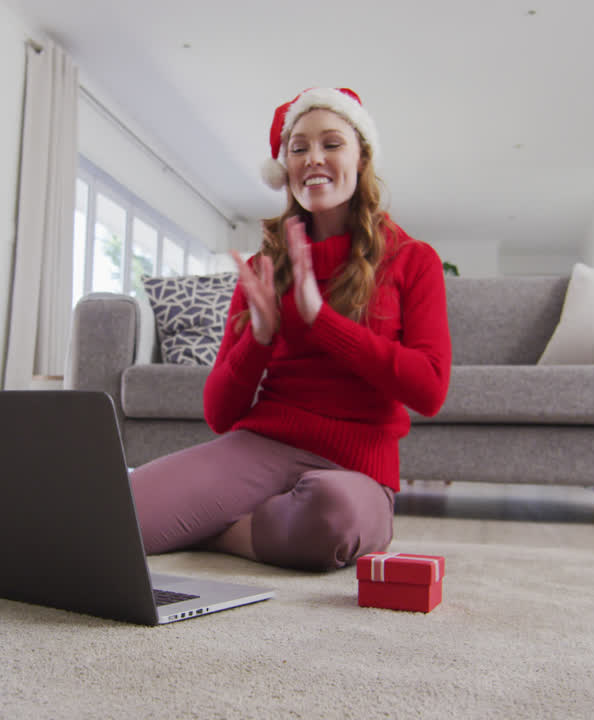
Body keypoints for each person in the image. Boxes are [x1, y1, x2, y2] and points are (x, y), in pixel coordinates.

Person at [128, 87, 452, 571]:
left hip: (355, 470)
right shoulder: (264, 269)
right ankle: (251, 524)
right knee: (118, 512)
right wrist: (259, 338)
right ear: (284, 169)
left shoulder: (413, 259)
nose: (313, 158)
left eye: (331, 144)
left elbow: (429, 389)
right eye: (299, 148)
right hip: (260, 447)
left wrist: (322, 322)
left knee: (332, 519)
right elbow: (219, 414)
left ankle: (217, 532)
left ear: (362, 158)